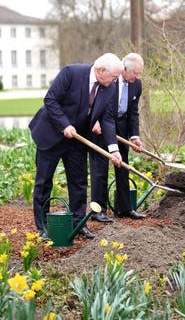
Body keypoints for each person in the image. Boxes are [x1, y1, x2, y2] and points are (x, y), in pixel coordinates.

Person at [29, 53, 124, 240]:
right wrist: (64, 124)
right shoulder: (71, 73)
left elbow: (107, 118)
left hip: (78, 138)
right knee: (44, 181)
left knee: (79, 181)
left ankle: (79, 223)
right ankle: (43, 227)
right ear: (101, 70)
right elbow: (50, 100)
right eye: (114, 77)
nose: (116, 81)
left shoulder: (109, 88)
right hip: (51, 134)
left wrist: (113, 149)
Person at [89, 52, 147, 222]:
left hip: (120, 128)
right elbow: (94, 101)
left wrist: (134, 135)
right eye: (135, 73)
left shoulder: (137, 85)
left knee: (123, 166)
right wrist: (94, 121)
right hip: (101, 127)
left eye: (139, 73)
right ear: (124, 69)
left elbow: (133, 112)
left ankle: (125, 208)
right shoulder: (109, 80)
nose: (137, 77)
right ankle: (98, 210)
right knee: (100, 168)